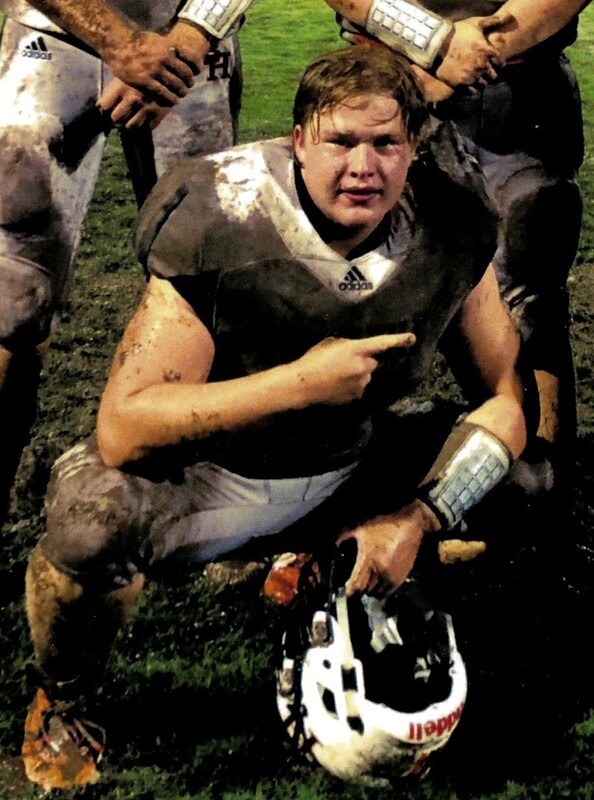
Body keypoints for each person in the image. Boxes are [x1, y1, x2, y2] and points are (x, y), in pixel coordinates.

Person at [20, 45, 530, 791]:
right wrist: (296, 385)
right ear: (298, 142)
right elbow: (125, 427)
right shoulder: (223, 213)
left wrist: (417, 518)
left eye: (386, 143)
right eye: (341, 141)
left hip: (352, 464)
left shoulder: (450, 221)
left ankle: (323, 566)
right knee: (91, 524)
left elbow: (508, 400)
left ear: (414, 147)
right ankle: (64, 699)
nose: (364, 167)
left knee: (525, 480)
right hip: (218, 478)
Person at [325, 0, 587, 511]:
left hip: (518, 81)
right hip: (384, 78)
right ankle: (329, 488)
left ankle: (537, 483)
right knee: (352, 284)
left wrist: (474, 52)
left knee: (528, 298)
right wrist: (436, 44)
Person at [0, 0, 252, 522]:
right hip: (55, 34)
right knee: (11, 300)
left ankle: (200, 501)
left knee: (205, 282)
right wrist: (120, 41)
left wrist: (185, 41)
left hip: (191, 46)